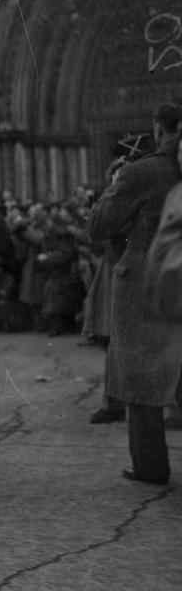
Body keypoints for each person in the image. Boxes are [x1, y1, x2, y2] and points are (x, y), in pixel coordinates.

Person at [87, 103, 182, 485]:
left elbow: (99, 225)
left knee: (142, 370)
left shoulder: (142, 172)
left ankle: (150, 466)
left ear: (159, 129)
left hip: (148, 279)